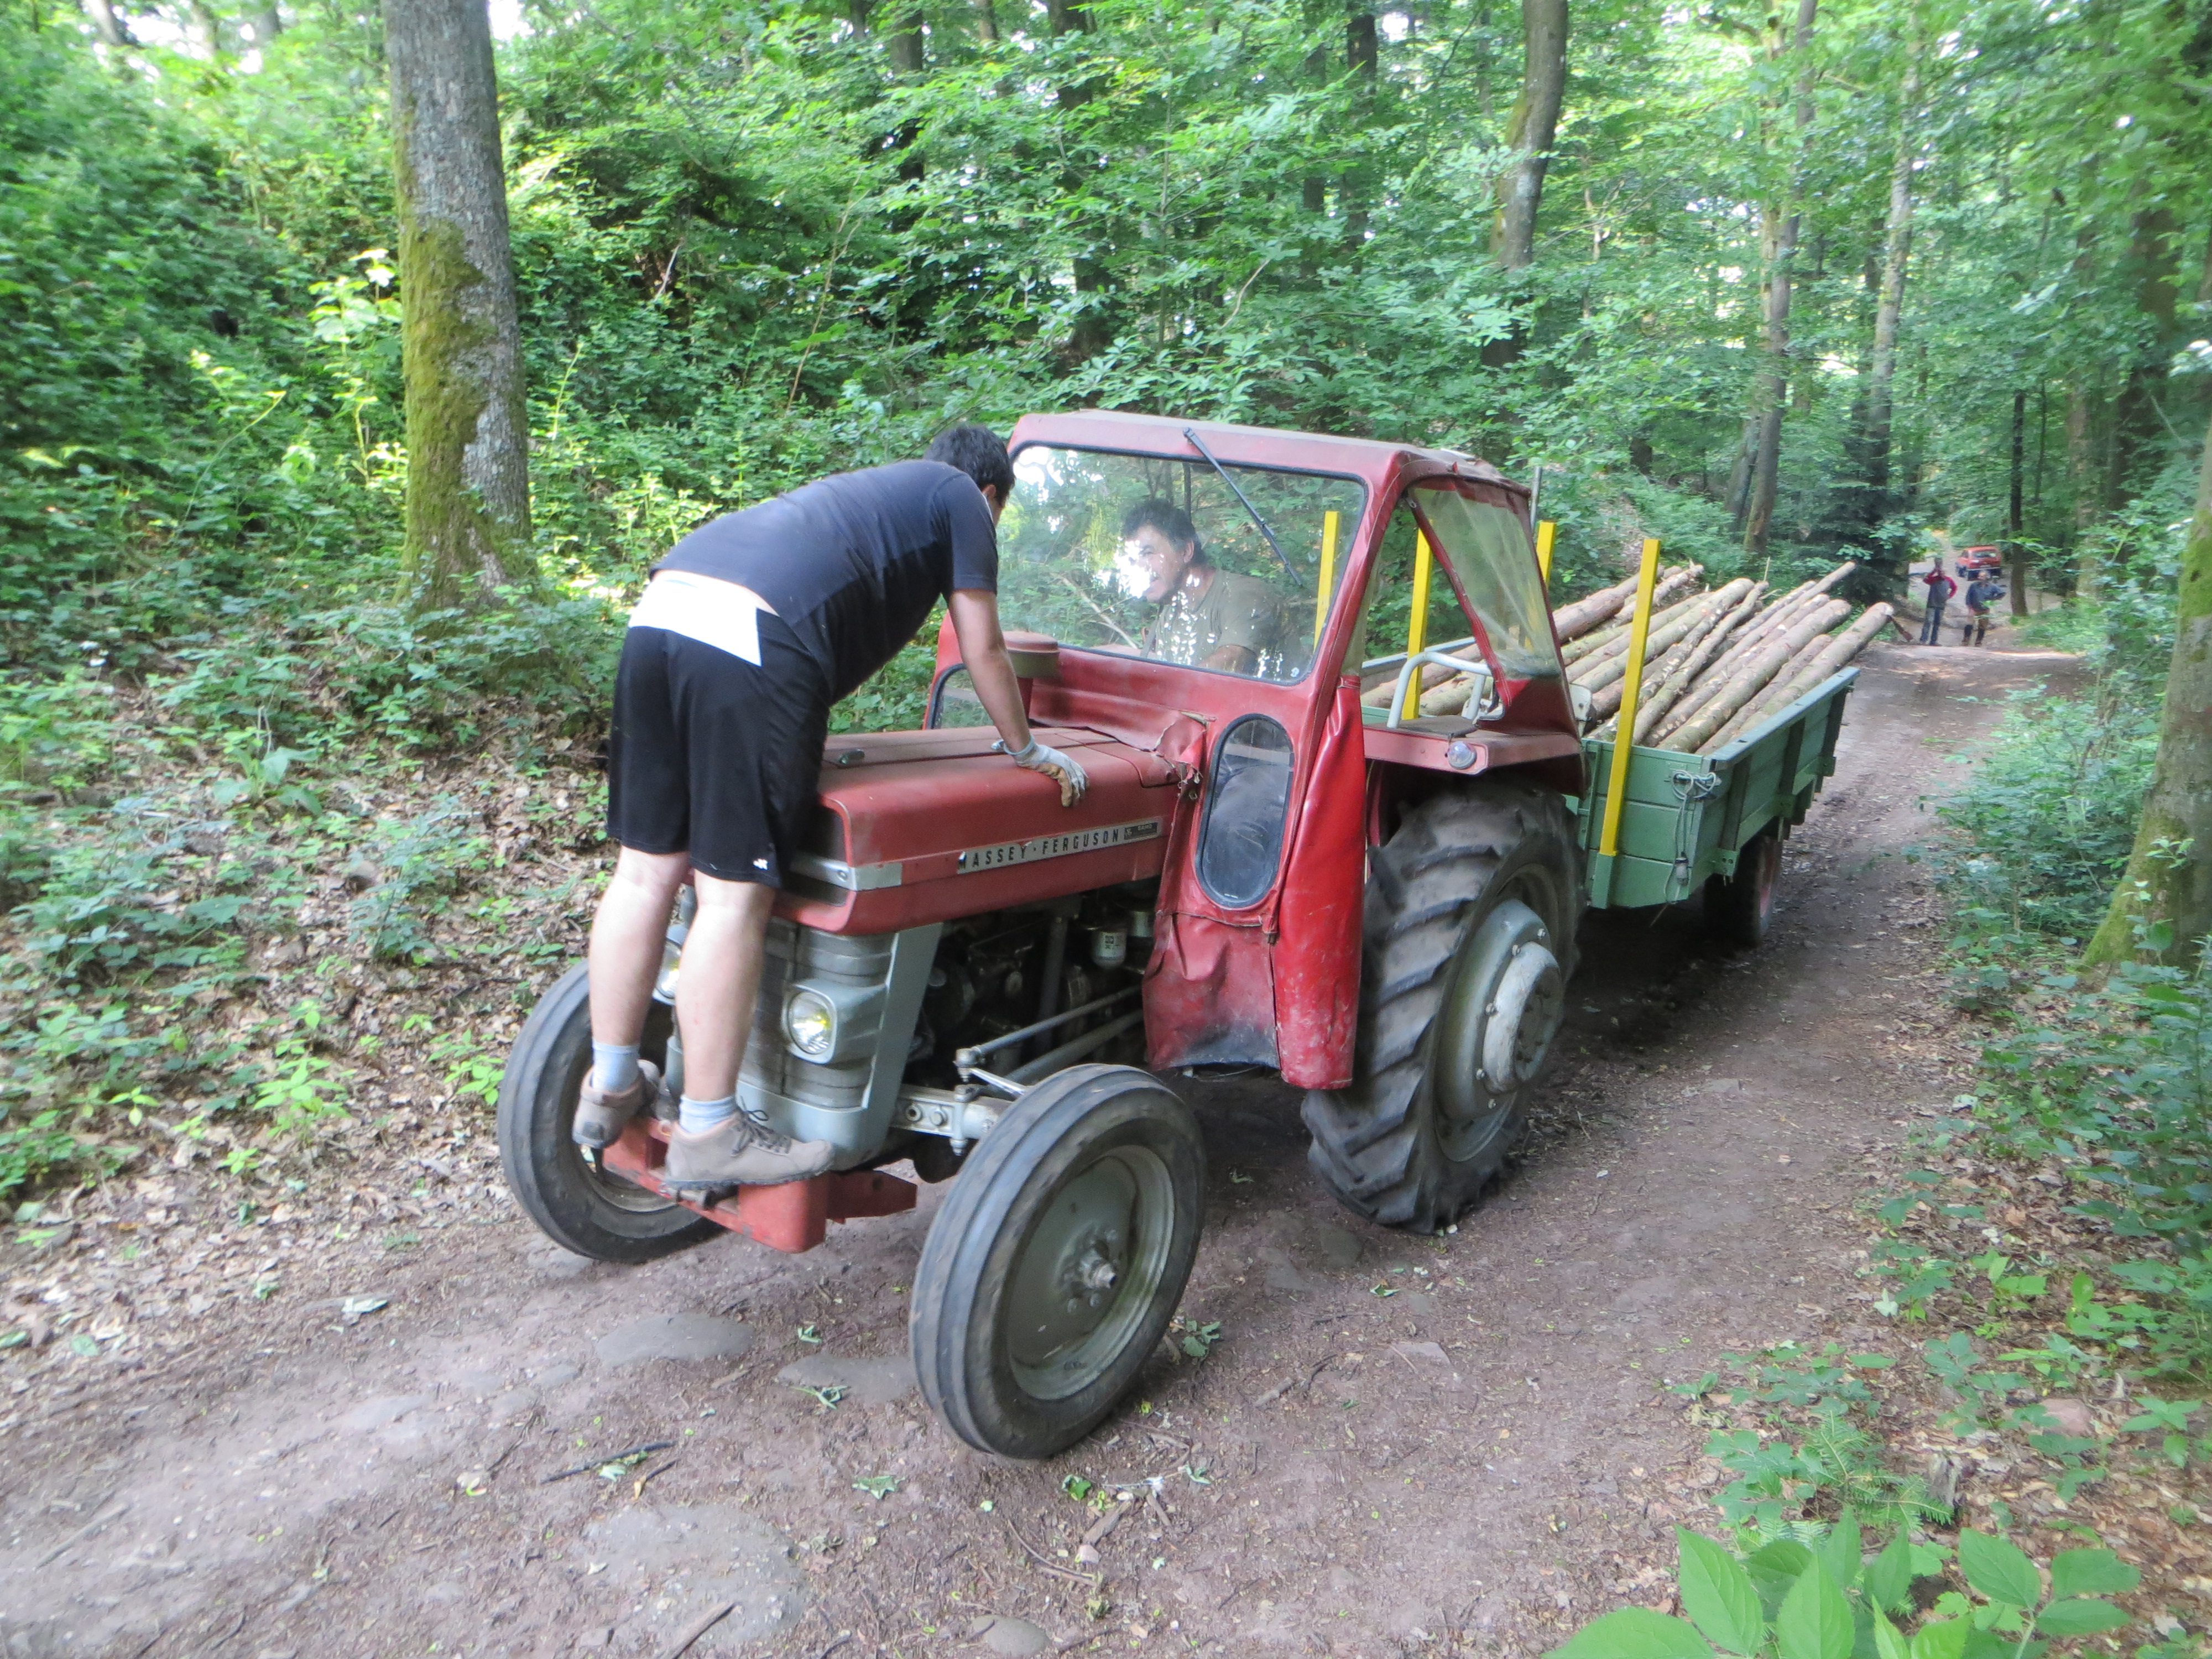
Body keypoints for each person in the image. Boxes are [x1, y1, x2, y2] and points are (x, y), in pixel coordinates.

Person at [576, 427, 1091, 1191]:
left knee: (646, 872)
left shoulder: (872, 496)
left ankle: (612, 1081)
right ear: (992, 494)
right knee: (731, 896)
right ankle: (709, 1130)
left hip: (662, 613)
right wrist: (1027, 749)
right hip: (751, 640)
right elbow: (981, 646)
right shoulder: (962, 499)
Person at [1120, 498, 1284, 675]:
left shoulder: (1243, 595)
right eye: (1133, 560)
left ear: (1186, 551)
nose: (1138, 568)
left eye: (1147, 553)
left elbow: (1232, 663)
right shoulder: (1170, 615)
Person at [1918, 560, 1957, 645]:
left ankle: (1934, 641)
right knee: (1928, 621)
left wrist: (1949, 596)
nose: (1942, 575)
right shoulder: (1933, 580)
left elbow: (1955, 588)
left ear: (1945, 573)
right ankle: (1923, 640)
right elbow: (1925, 579)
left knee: (1937, 623)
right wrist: (1934, 571)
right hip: (1932, 604)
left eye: (1943, 573)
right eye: (1940, 573)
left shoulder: (1949, 580)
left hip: (1941, 605)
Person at [1961, 573, 2004, 646]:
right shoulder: (1973, 586)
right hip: (1974, 608)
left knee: (1982, 626)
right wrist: (1970, 607)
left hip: (1985, 609)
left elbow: (2002, 593)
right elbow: (1968, 596)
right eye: (1979, 576)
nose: (1980, 578)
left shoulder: (1992, 587)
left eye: (1982, 576)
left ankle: (1978, 642)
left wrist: (1993, 599)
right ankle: (1966, 641)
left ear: (1987, 577)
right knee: (1969, 625)